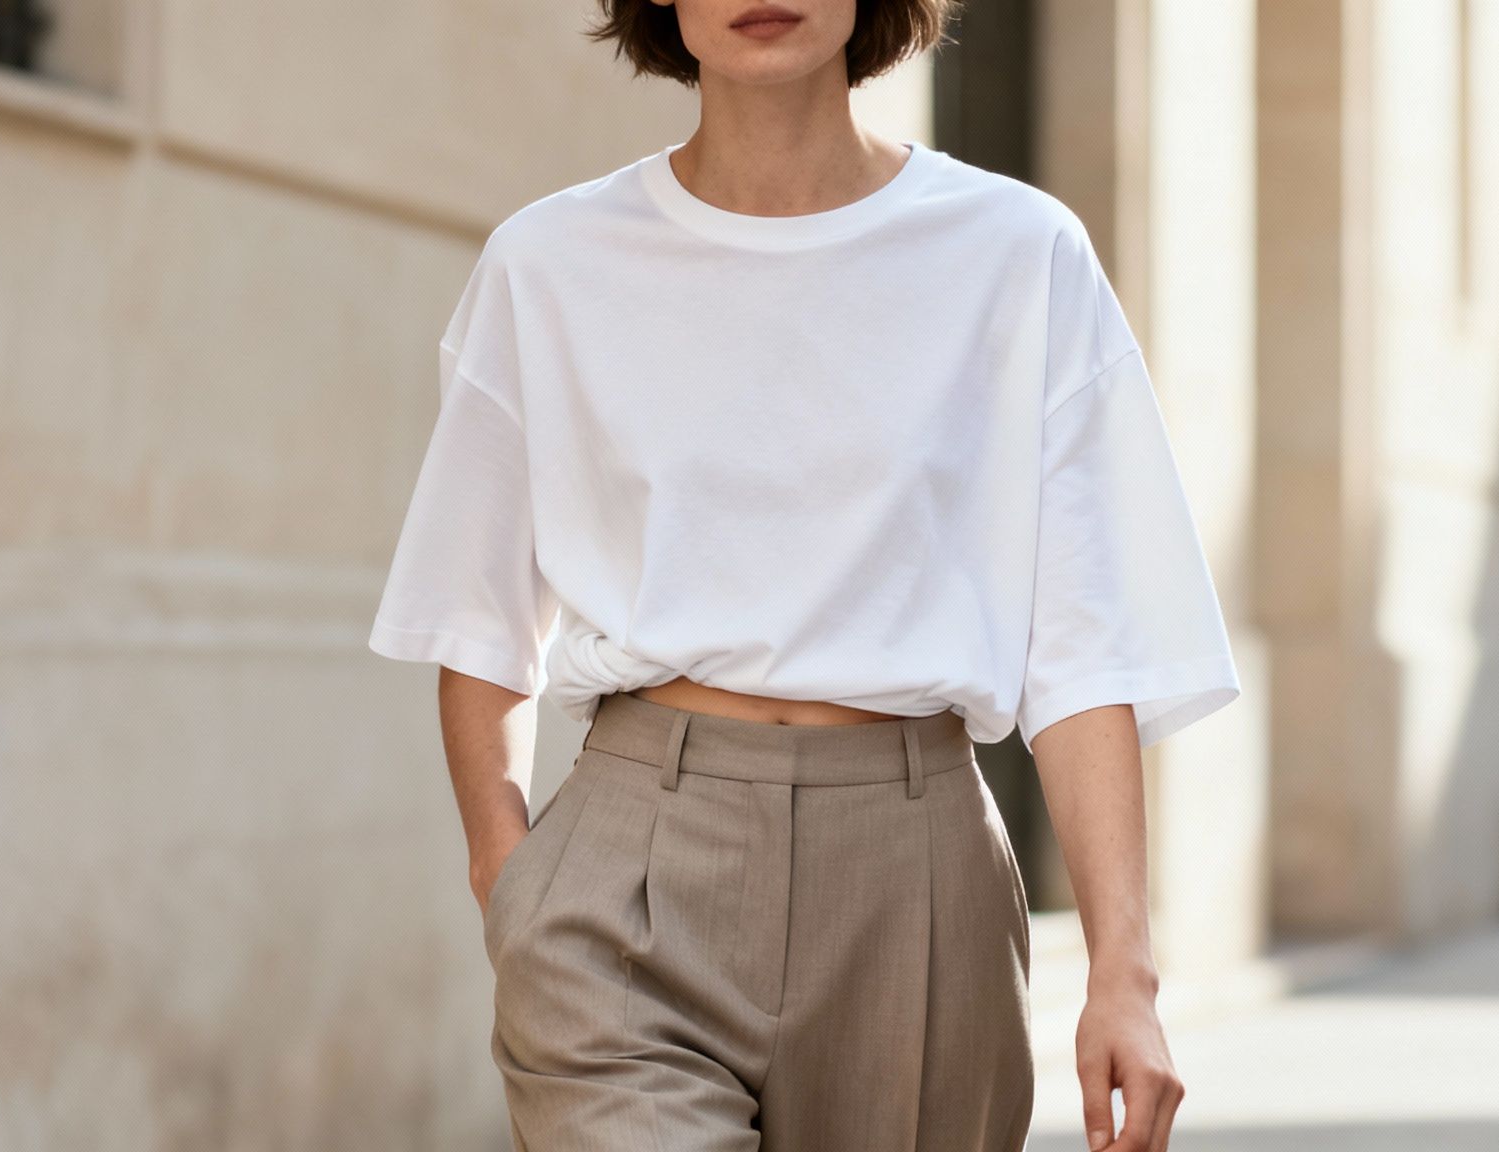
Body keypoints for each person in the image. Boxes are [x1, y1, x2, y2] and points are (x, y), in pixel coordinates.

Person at [366, 1, 1241, 1148]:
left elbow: (1082, 649)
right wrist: (506, 869)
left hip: (915, 883)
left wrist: (1122, 974)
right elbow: (477, 614)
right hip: (629, 874)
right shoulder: (551, 263)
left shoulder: (1015, 255)